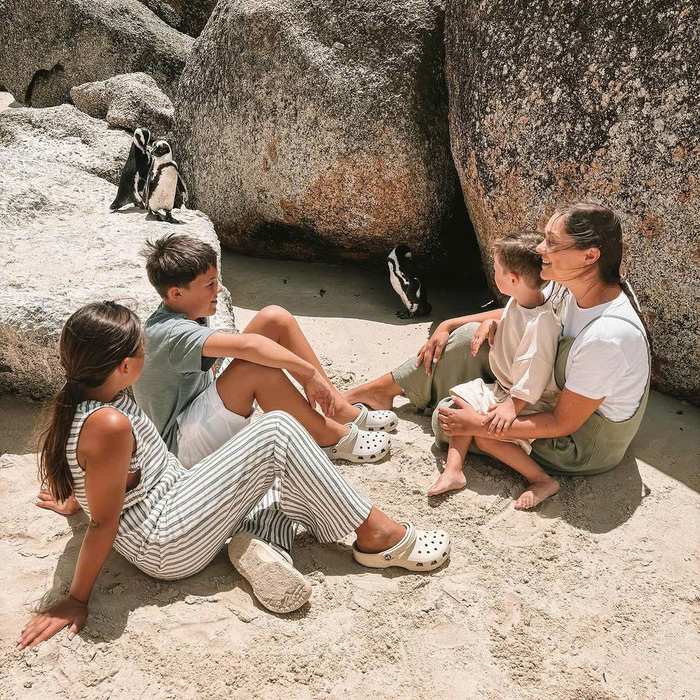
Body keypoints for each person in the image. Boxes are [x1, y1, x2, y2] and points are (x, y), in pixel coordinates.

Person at [19, 302, 450, 649]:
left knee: (291, 470)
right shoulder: (108, 423)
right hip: (165, 542)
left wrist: (75, 498)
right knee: (278, 431)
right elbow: (103, 521)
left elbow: (94, 472)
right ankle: (377, 535)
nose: (146, 351)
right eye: (141, 348)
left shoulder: (89, 394)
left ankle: (266, 544)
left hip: (175, 496)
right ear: (124, 366)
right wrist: (75, 599)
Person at [346, 202, 651, 488]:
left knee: (448, 419)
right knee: (470, 336)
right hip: (546, 388)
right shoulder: (572, 285)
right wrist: (449, 324)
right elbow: (523, 309)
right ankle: (381, 391)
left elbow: (563, 423)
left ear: (590, 256)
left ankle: (435, 405)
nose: (540, 249)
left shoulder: (607, 337)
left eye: (552, 243)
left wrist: (478, 425)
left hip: (580, 441)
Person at [133, 234, 398, 469]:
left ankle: (336, 408)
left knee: (274, 318)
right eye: (210, 284)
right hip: (180, 447)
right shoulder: (171, 333)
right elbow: (251, 347)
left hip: (196, 413)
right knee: (254, 367)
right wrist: (308, 374)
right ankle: (326, 436)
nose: (219, 289)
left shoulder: (186, 310)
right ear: (177, 293)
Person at [427, 234, 561, 507]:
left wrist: (512, 407)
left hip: (527, 400)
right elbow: (513, 326)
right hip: (507, 389)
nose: (493, 272)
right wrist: (492, 324)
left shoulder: (542, 324)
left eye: (496, 269)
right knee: (461, 402)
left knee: (488, 438)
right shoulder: (520, 301)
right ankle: (454, 470)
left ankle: (542, 480)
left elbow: (535, 372)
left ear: (513, 279)